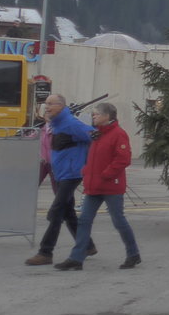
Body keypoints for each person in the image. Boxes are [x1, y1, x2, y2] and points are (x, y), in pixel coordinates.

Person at [56, 102, 141, 271]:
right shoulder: (97, 135)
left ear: (107, 116)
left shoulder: (118, 134)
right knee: (84, 221)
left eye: (96, 115)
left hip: (110, 186)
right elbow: (92, 158)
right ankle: (76, 258)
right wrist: (87, 171)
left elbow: (123, 159)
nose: (93, 117)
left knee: (118, 221)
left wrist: (106, 174)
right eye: (93, 115)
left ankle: (133, 254)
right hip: (94, 185)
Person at [25, 95, 96, 265]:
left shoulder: (71, 123)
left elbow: (94, 136)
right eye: (46, 104)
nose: (46, 107)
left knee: (56, 212)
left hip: (72, 173)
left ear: (60, 106)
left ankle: (45, 252)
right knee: (68, 211)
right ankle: (87, 245)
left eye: (50, 104)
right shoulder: (56, 123)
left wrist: (84, 161)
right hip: (61, 173)